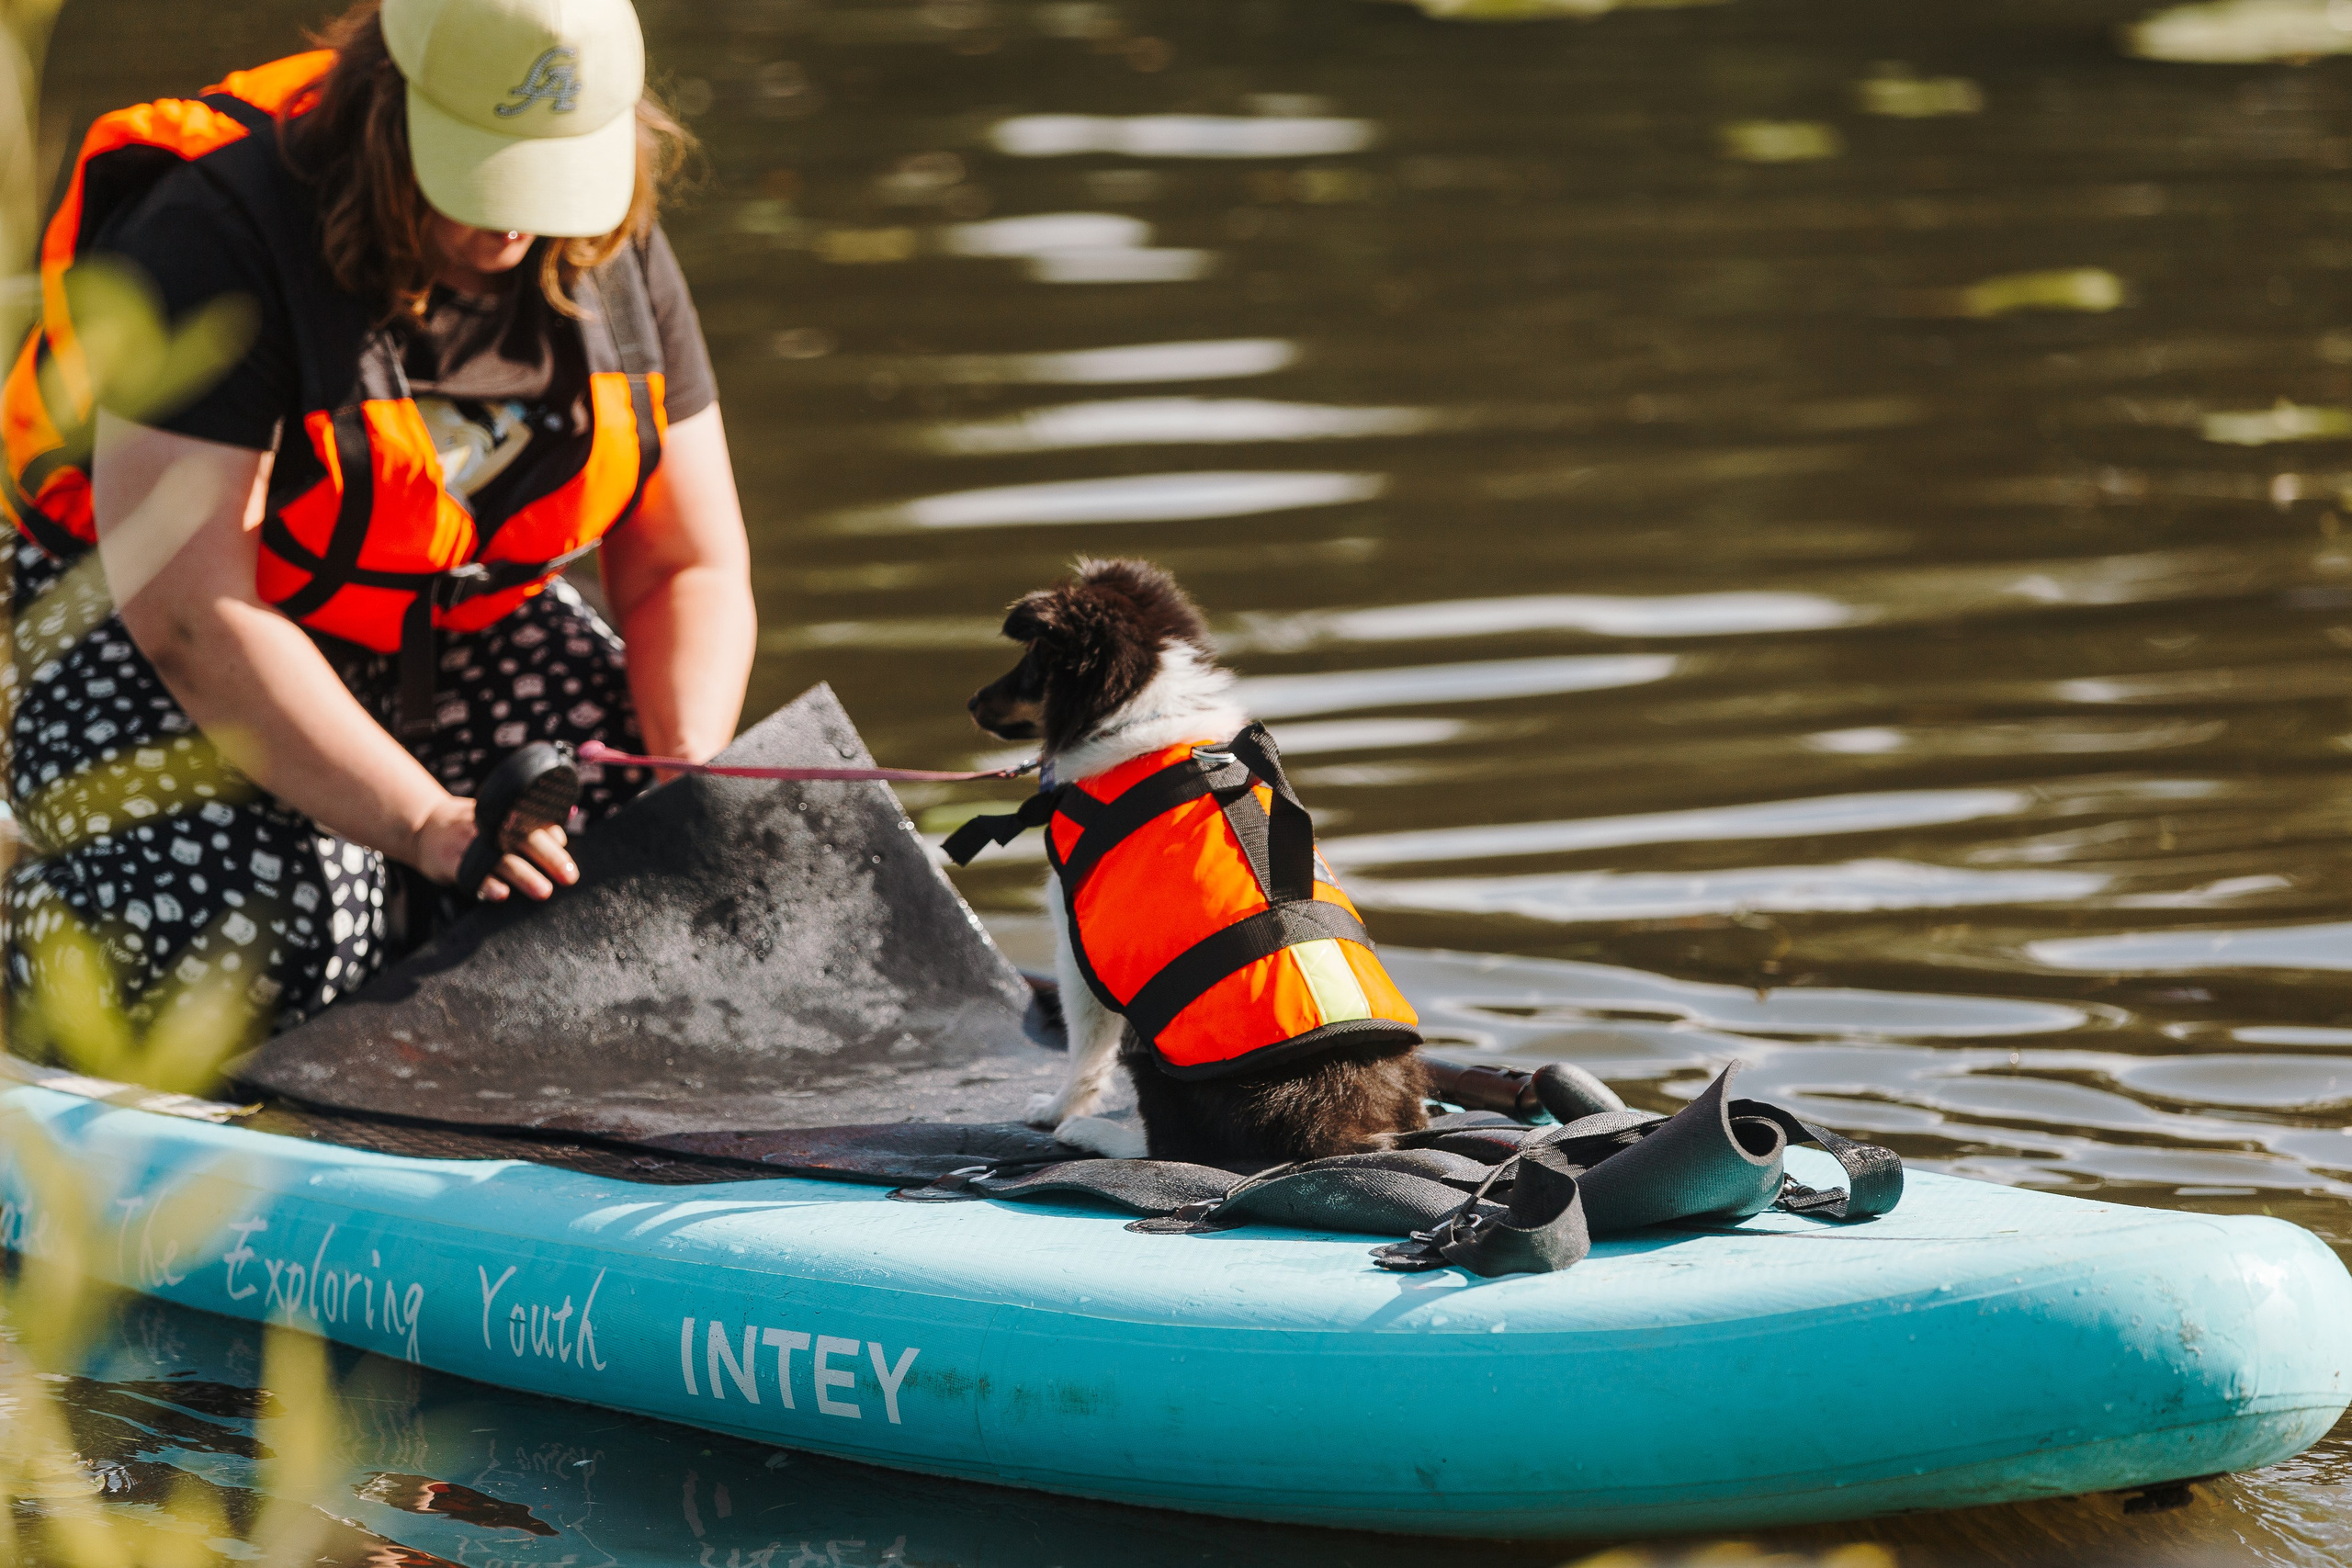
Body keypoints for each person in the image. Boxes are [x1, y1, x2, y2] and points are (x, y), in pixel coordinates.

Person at [0, 0, 756, 1042]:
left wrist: (685, 772)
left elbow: (687, 564)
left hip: (438, 630)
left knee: (665, 874)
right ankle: (35, 915)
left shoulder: (608, 245)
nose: (512, 223)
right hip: (156, 630)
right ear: (386, 106)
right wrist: (426, 824)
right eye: (485, 174)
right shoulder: (211, 229)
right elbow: (187, 612)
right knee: (283, 937)